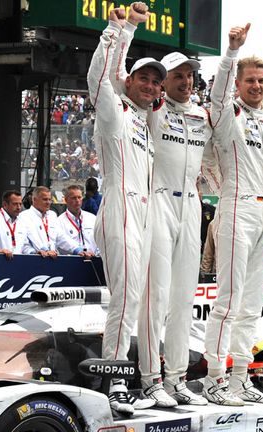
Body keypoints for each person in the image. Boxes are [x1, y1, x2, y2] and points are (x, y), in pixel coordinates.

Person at [110, 37, 213, 404]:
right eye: (178, 75)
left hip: (192, 205)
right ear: (163, 81)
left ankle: (176, 378)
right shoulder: (150, 109)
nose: (185, 81)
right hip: (157, 201)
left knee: (184, 298)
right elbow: (118, 85)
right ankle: (150, 377)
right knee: (156, 296)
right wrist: (121, 33)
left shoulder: (203, 116)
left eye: (190, 75)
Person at [203, 23, 263, 406]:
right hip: (235, 208)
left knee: (251, 304)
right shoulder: (228, 114)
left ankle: (240, 379)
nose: (257, 86)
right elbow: (218, 96)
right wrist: (231, 52)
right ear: (238, 83)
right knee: (227, 301)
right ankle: (213, 379)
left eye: (262, 81)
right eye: (250, 80)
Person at [86, 2, 162, 414]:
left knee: (140, 299)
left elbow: (119, 77)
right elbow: (100, 78)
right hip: (121, 208)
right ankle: (113, 383)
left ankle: (135, 380)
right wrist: (120, 29)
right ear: (128, 81)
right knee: (126, 298)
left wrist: (130, 26)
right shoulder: (114, 111)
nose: (150, 86)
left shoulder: (142, 121)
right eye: (143, 78)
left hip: (143, 213)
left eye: (155, 81)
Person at [16, 186, 92, 258]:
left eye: (50, 199)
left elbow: (61, 237)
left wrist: (77, 250)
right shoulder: (24, 217)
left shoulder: (52, 215)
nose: (48, 202)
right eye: (45, 199)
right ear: (34, 200)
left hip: (52, 259)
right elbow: (24, 242)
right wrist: (36, 252)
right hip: (35, 259)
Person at [58, 185, 99, 256]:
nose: (77, 201)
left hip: (92, 258)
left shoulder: (92, 218)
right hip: (71, 260)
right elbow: (61, 241)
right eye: (73, 198)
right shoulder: (59, 221)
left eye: (79, 197)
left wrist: (97, 254)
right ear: (66, 200)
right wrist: (77, 250)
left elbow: (99, 240)